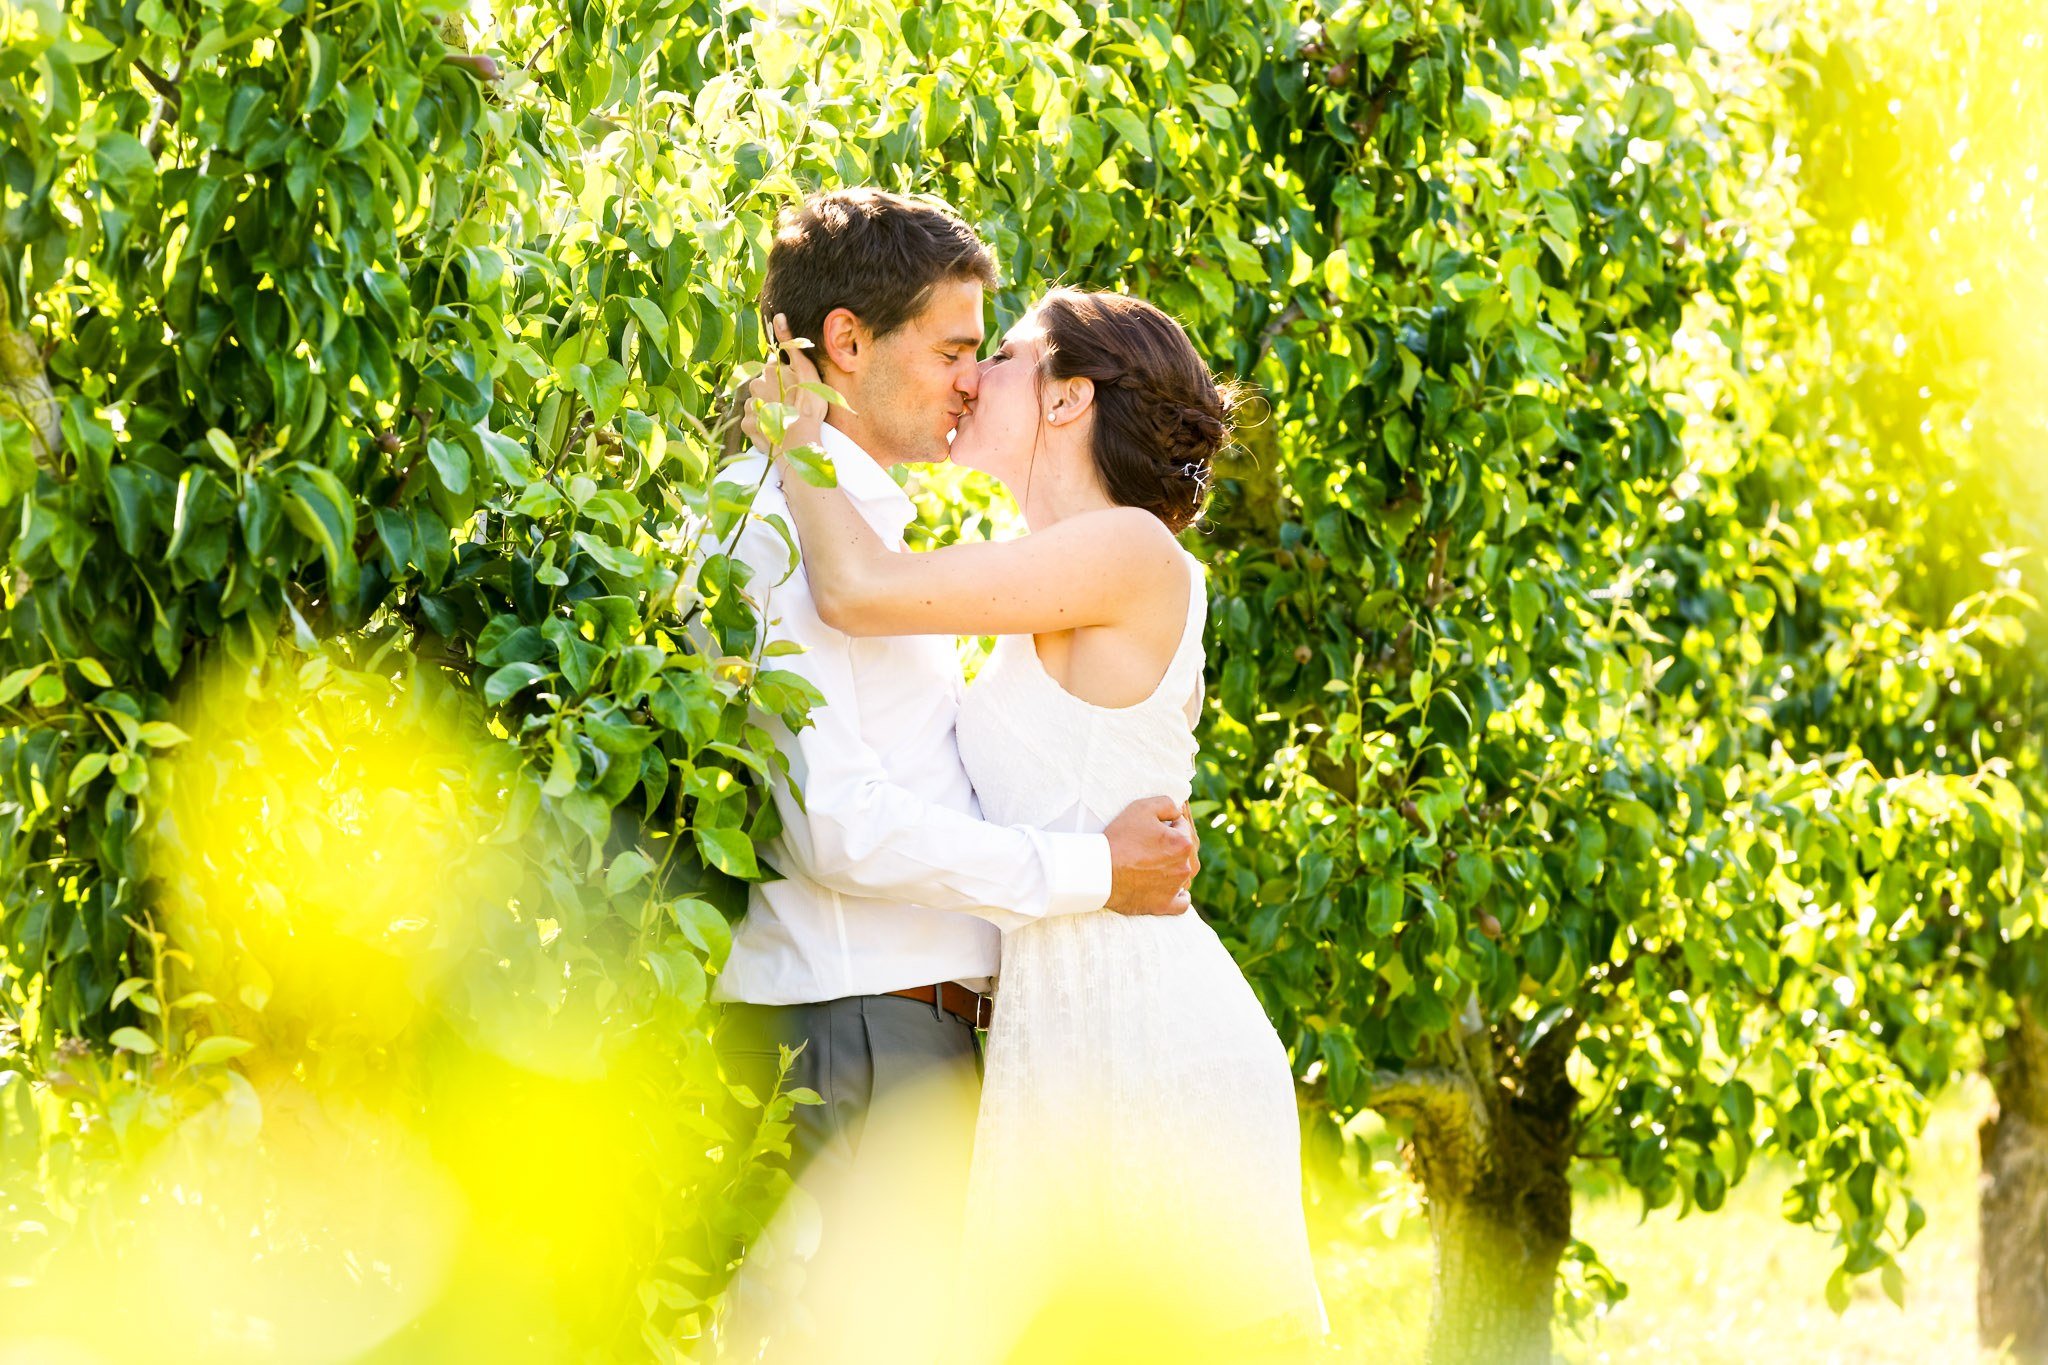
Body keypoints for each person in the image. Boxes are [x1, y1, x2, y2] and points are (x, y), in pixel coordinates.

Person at [742, 282, 1328, 1353]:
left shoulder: (1131, 551)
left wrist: (795, 435)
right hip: (1052, 1042)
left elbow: (860, 588)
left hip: (1148, 1035)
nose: (971, 379)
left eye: (1003, 356)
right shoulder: (1046, 581)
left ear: (1066, 400)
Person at [708, 189, 1202, 1359]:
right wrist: (1093, 865)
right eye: (950, 350)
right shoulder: (785, 519)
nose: (970, 381)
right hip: (862, 1029)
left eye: (990, 355)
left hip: (949, 1034)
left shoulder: (877, 528)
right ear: (843, 344)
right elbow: (836, 824)